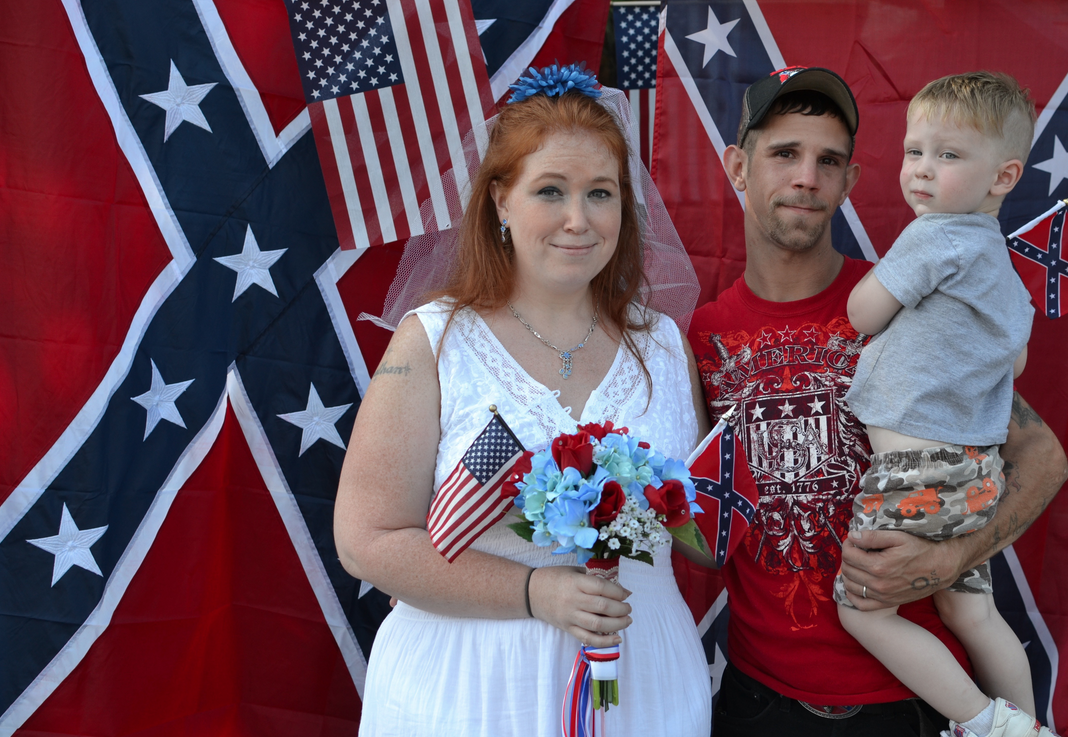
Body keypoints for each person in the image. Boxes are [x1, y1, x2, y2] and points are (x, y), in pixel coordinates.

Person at [686, 66, 1068, 737]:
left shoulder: (920, 296)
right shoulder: (702, 334)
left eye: (827, 160)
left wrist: (952, 557)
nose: (806, 177)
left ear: (851, 181)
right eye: (783, 154)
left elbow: (1042, 456)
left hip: (909, 706)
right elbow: (698, 514)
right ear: (737, 167)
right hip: (758, 697)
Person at [334, 65, 713, 737]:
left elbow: (699, 535)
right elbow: (366, 542)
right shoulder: (432, 343)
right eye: (550, 191)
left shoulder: (664, 348)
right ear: (500, 202)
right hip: (468, 691)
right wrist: (535, 591)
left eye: (600, 192)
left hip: (642, 683)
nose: (578, 219)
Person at [837, 71, 1048, 737]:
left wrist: (883, 297)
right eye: (914, 151)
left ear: (1003, 177)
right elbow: (1014, 360)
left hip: (917, 470)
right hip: (973, 474)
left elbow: (862, 311)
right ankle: (1034, 724)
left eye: (949, 155)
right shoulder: (1005, 273)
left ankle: (985, 722)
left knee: (864, 611)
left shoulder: (936, 236)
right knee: (972, 615)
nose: (923, 171)